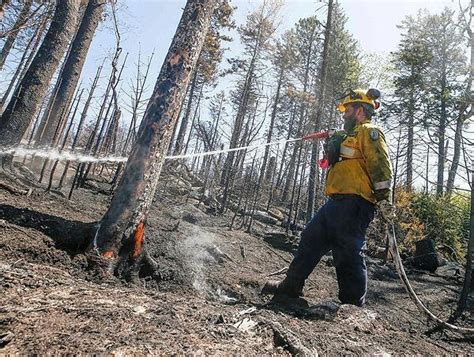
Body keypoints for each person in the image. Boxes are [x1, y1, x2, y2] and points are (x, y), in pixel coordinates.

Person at [262, 88, 393, 307]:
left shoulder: (369, 132)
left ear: (360, 110)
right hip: (337, 202)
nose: (343, 115)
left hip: (357, 202)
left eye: (347, 110)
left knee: (348, 251)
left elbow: (380, 165)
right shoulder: (347, 136)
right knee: (311, 238)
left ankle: (351, 306)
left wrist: (384, 199)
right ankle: (290, 288)